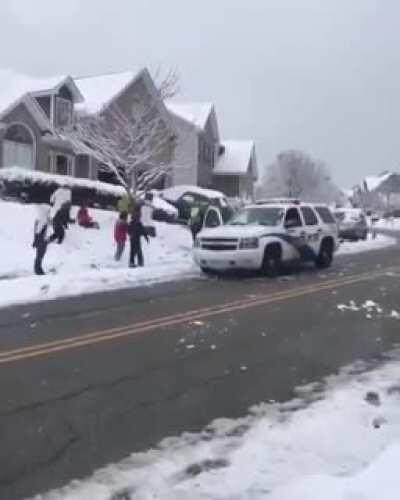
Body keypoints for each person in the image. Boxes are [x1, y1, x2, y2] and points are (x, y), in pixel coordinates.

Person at [32, 205, 51, 275]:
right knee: (40, 254)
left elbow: (37, 230)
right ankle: (38, 269)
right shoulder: (42, 219)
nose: (49, 212)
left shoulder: (41, 218)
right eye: (48, 211)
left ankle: (38, 268)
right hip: (41, 239)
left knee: (40, 254)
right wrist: (38, 239)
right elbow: (38, 230)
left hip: (41, 238)